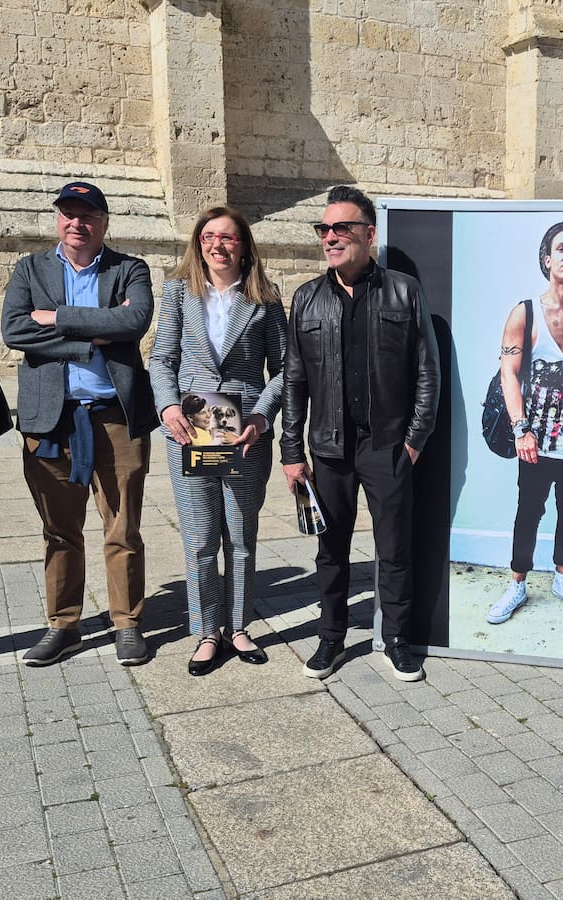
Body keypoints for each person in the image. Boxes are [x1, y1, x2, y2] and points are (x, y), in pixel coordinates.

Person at [281, 186, 440, 682]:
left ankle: (395, 640)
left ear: (369, 235)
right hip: (328, 449)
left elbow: (427, 372)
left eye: (341, 229)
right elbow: (293, 378)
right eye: (323, 229)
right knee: (331, 550)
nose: (330, 238)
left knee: (394, 548)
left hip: (387, 447)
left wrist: (413, 441)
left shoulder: (403, 291)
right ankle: (330, 639)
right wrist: (291, 451)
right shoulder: (307, 297)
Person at [1, 181, 156, 667]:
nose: (77, 223)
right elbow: (15, 330)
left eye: (87, 215)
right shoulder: (30, 268)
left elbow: (134, 323)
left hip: (115, 418)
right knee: (60, 529)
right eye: (68, 213)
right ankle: (63, 624)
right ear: (57, 220)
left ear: (104, 222)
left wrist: (56, 317)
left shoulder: (129, 269)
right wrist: (89, 338)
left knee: (123, 525)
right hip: (51, 421)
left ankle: (127, 623)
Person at [150, 206, 287, 677]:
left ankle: (240, 626)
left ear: (244, 245)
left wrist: (262, 416)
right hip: (189, 428)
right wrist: (168, 407)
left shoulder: (266, 299)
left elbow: (286, 370)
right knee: (201, 537)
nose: (217, 245)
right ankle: (207, 631)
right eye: (209, 236)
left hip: (243, 430)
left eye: (227, 238)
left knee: (241, 535)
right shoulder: (177, 293)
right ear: (198, 243)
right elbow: (162, 359)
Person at [486, 220, 563, 625]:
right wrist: (521, 428)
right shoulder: (523, 313)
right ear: (547, 258)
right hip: (535, 439)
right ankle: (517, 583)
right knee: (528, 511)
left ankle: (562, 577)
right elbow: (509, 373)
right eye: (562, 249)